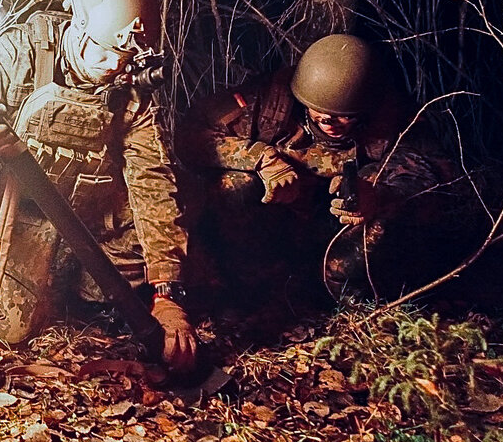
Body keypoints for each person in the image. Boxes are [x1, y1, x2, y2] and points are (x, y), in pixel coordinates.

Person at [0, 0, 197, 373]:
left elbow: (153, 183)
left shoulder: (133, 92)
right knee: (10, 327)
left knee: (125, 294)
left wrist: (167, 295)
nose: (112, 67)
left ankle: (70, 275)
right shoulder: (20, 52)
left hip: (87, 217)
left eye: (124, 58)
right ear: (78, 26)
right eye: (103, 52)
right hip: (16, 211)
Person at [177, 33, 466, 308]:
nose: (330, 121)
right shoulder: (266, 103)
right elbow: (190, 136)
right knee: (234, 185)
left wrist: (378, 194)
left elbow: (437, 176)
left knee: (385, 225)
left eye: (344, 116)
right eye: (321, 112)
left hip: (335, 229)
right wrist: (261, 159)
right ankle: (250, 290)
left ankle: (348, 302)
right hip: (274, 224)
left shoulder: (392, 117)